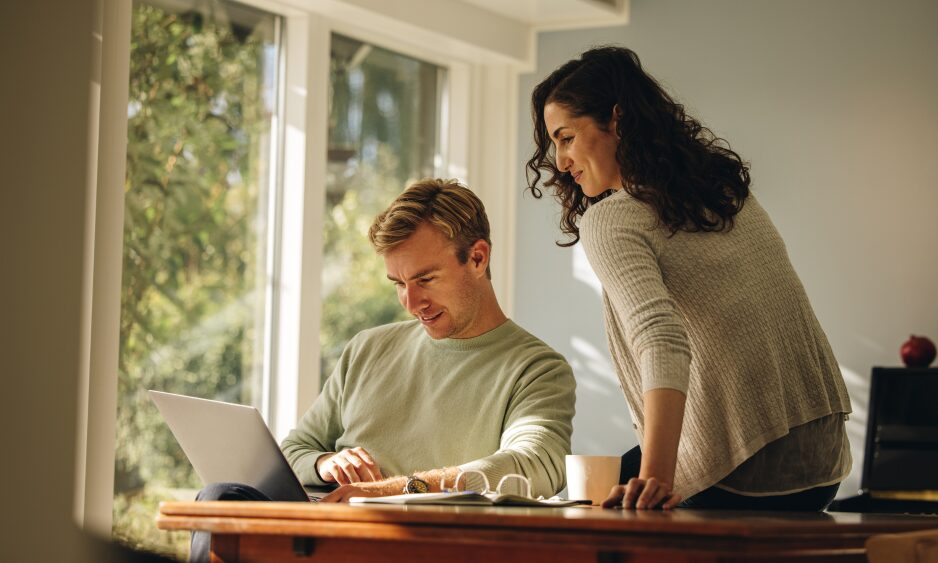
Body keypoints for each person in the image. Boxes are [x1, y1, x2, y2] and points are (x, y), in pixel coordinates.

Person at [526, 46, 851, 512]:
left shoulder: (611, 219)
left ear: (615, 122)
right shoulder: (724, 192)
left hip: (747, 468)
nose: (559, 162)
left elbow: (660, 337)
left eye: (567, 137)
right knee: (588, 492)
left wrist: (654, 479)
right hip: (825, 464)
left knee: (577, 512)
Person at [189, 179, 575, 560]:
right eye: (399, 283)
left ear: (477, 258)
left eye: (426, 279)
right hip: (323, 540)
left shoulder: (537, 369)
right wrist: (326, 463)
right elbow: (293, 451)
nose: (412, 302)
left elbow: (532, 467)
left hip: (417, 548)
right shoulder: (367, 348)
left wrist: (393, 491)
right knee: (219, 498)